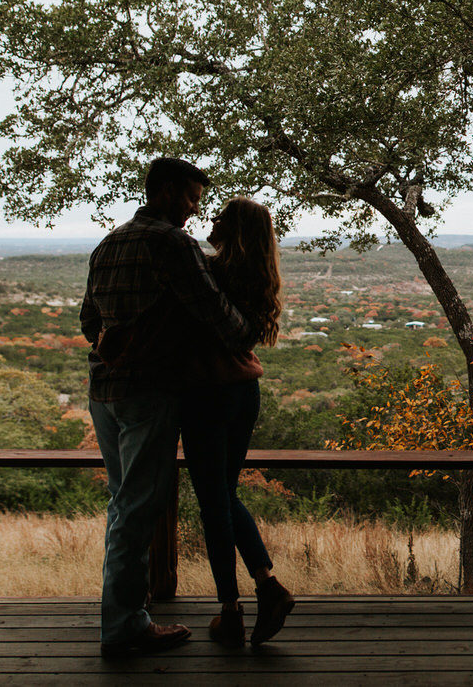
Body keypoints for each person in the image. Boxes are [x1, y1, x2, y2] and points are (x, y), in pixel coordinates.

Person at [80, 157, 252, 657]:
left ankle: (125, 615)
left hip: (103, 393)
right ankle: (125, 626)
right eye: (193, 198)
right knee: (136, 509)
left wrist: (112, 344)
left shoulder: (108, 243)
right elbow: (218, 316)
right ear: (169, 192)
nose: (195, 210)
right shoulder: (174, 245)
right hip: (148, 394)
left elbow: (89, 320)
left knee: (122, 503)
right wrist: (247, 329)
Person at [179, 196, 296, 647]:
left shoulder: (206, 273)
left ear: (236, 230)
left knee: (214, 506)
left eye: (221, 217)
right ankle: (267, 586)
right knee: (224, 496)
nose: (212, 221)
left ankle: (230, 611)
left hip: (206, 395)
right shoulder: (256, 279)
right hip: (243, 393)